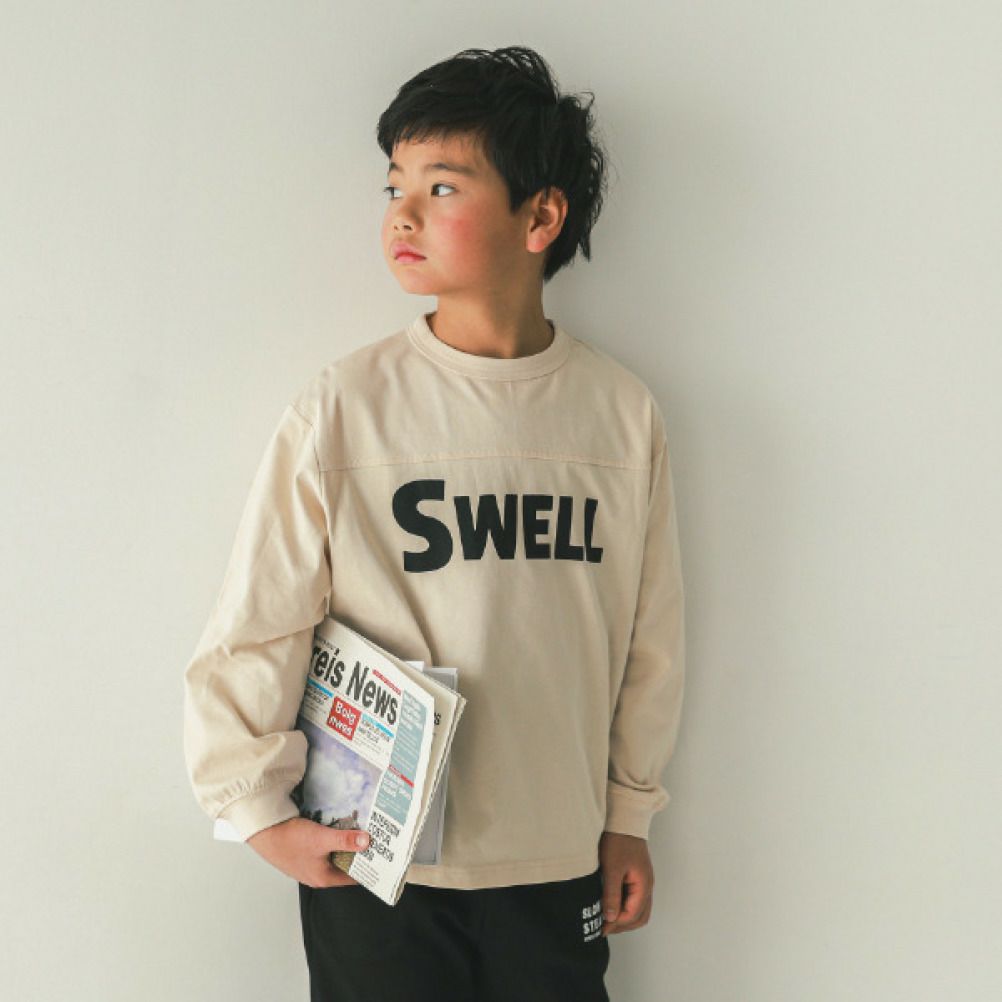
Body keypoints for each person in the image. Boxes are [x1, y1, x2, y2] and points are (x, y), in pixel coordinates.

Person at [183, 44, 686, 1002]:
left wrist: (629, 815)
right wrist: (255, 808)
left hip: (554, 854)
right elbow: (261, 616)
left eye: (442, 186)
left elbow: (649, 640)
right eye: (395, 186)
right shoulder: (345, 407)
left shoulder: (620, 415)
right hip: (375, 860)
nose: (402, 214)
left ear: (540, 216)